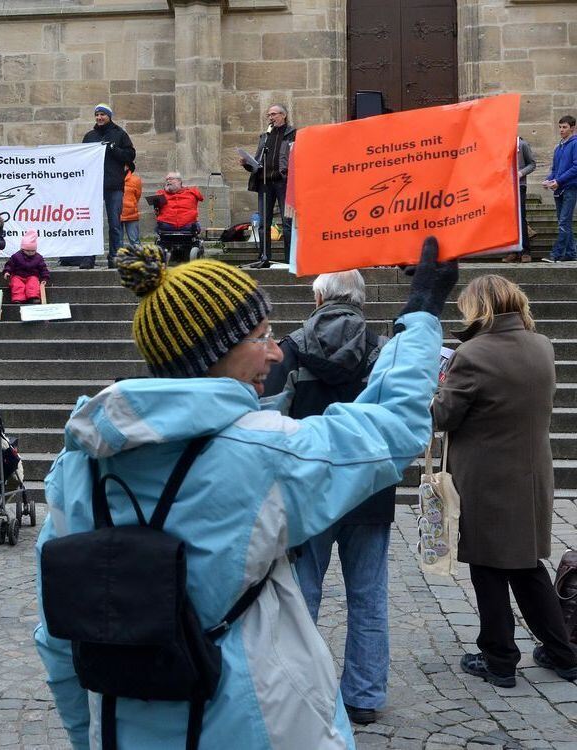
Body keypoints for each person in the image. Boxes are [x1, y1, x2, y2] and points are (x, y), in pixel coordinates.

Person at [34, 238, 457, 749]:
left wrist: (88, 736)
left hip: (124, 729)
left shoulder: (75, 467)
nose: (277, 352)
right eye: (262, 336)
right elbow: (391, 428)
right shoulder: (262, 452)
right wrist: (422, 309)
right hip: (253, 722)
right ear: (215, 353)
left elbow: (58, 636)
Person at [262, 270, 396, 727]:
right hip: (369, 487)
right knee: (369, 594)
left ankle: (298, 690)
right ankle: (364, 695)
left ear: (318, 295)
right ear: (360, 298)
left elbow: (269, 417)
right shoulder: (383, 349)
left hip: (309, 489)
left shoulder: (289, 347)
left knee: (300, 596)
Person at [432, 274, 577, 687]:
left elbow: (443, 416)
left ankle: (499, 658)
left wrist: (435, 382)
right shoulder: (541, 345)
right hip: (532, 473)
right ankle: (563, 654)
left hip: (487, 477)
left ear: (477, 308)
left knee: (489, 567)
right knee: (527, 564)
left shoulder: (472, 354)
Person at [68, 103, 136, 269]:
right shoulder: (90, 136)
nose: (99, 118)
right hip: (93, 187)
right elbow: (80, 158)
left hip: (114, 185)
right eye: (97, 115)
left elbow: (130, 155)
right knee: (91, 223)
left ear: (109, 116)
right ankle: (88, 258)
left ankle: (114, 257)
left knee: (115, 224)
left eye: (102, 115)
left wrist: (114, 149)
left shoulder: (120, 134)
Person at [241, 104, 297, 268]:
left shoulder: (293, 134)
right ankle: (264, 258)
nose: (271, 118)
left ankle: (289, 260)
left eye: (274, 114)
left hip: (284, 183)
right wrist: (247, 164)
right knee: (264, 222)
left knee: (287, 223)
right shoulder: (265, 136)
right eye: (269, 115)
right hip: (265, 183)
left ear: (283, 115)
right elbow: (258, 162)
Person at [541, 115, 577, 263]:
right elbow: (555, 169)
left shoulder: (575, 144)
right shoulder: (558, 147)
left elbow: (576, 167)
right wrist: (549, 180)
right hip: (559, 189)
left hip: (570, 188)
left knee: (563, 222)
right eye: (560, 127)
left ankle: (555, 254)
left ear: (573, 128)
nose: (561, 130)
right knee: (564, 223)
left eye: (565, 127)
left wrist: (559, 180)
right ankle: (571, 253)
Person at [504, 137, 536, 263]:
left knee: (520, 217)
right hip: (505, 187)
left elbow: (532, 164)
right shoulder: (502, 145)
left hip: (519, 185)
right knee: (509, 219)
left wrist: (520, 173)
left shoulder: (522, 145)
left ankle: (525, 251)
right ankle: (513, 250)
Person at [3, 229, 49, 304]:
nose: (30, 253)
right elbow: (9, 265)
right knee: (17, 284)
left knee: (33, 283)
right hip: (18, 275)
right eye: (28, 251)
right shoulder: (16, 256)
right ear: (22, 249)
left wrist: (45, 277)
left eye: (33, 251)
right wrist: (7, 272)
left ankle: (33, 297)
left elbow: (43, 268)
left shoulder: (38, 257)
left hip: (32, 275)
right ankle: (18, 298)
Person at [121, 162, 142, 250]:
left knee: (135, 240)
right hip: (117, 213)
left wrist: (131, 205)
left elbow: (138, 195)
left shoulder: (135, 180)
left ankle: (139, 259)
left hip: (131, 214)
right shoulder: (114, 178)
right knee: (117, 240)